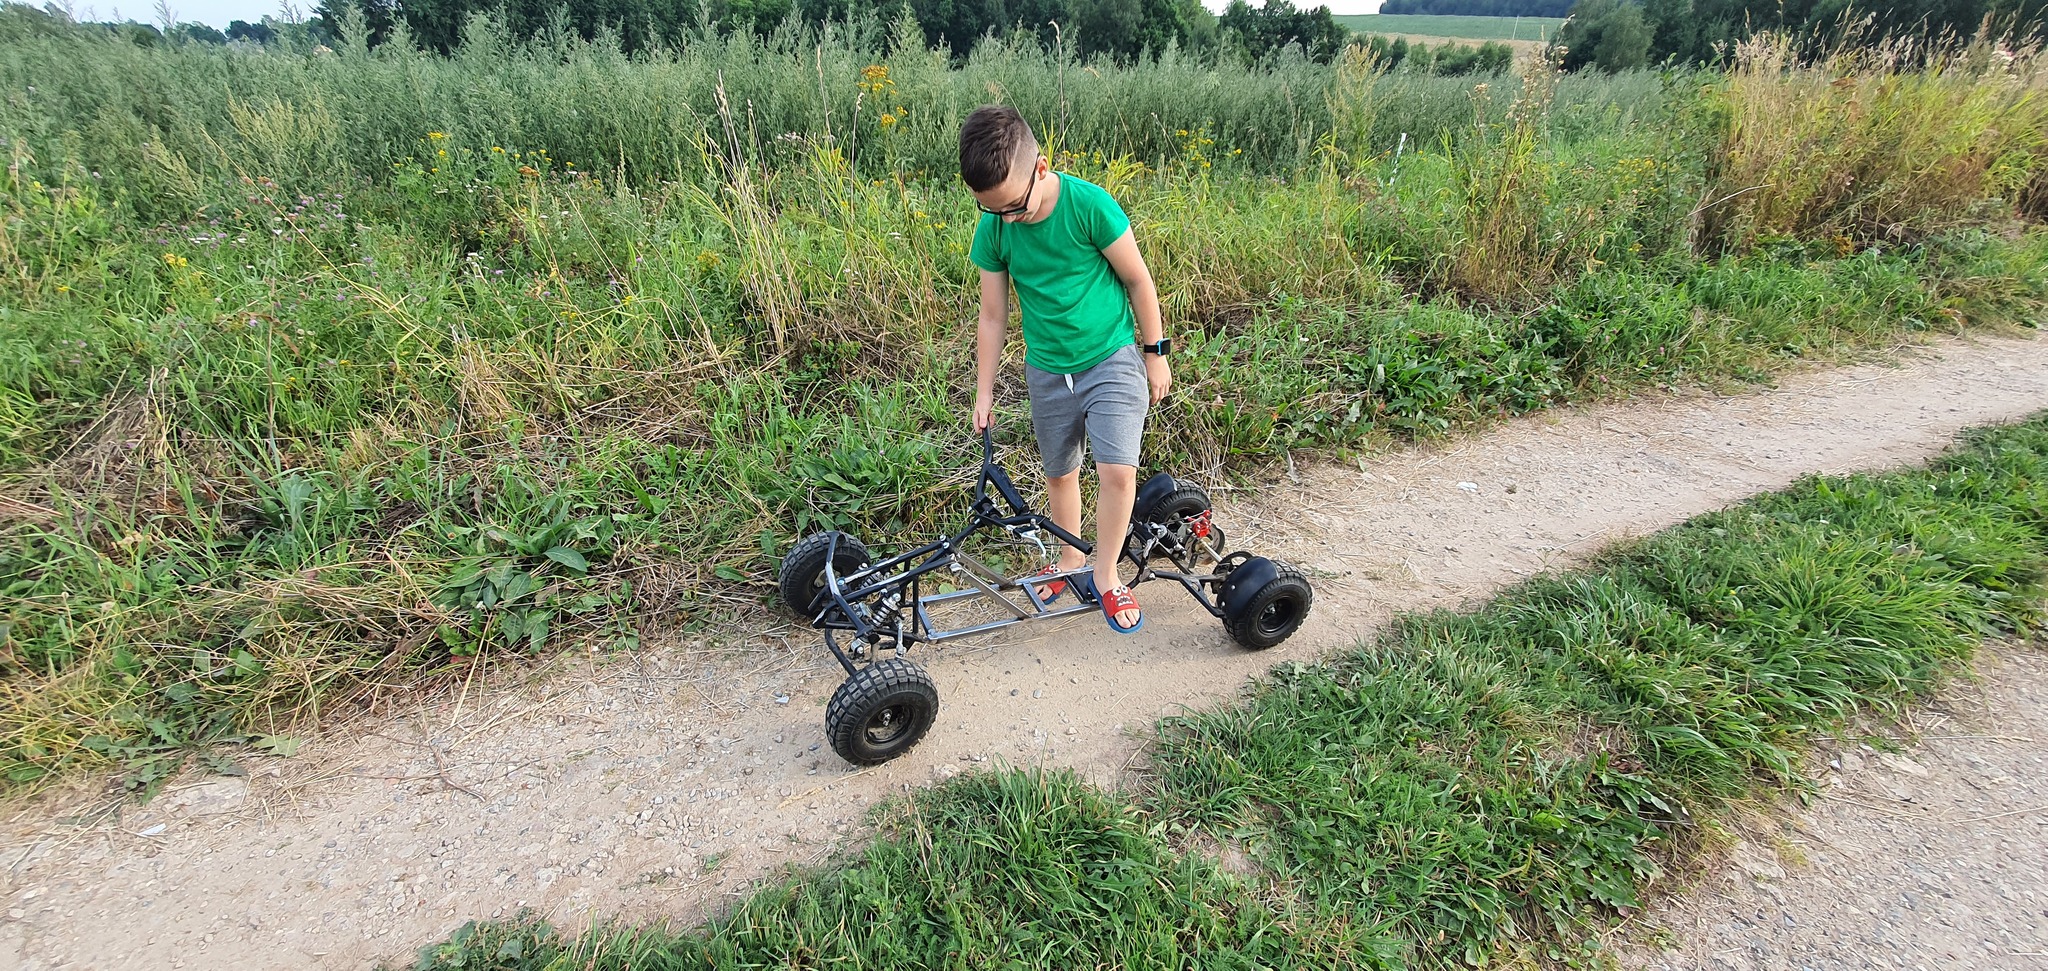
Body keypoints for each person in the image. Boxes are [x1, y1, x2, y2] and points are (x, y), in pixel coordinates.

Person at [960, 105, 1172, 634]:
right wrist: (983, 391)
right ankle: (1070, 558)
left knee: (1118, 470)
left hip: (1111, 356)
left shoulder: (1089, 206)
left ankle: (1106, 574)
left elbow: (1139, 281)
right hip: (1047, 367)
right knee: (1060, 470)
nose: (1005, 219)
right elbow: (992, 315)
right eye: (992, 211)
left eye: (1012, 206)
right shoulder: (996, 227)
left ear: (1041, 168)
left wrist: (1155, 352)